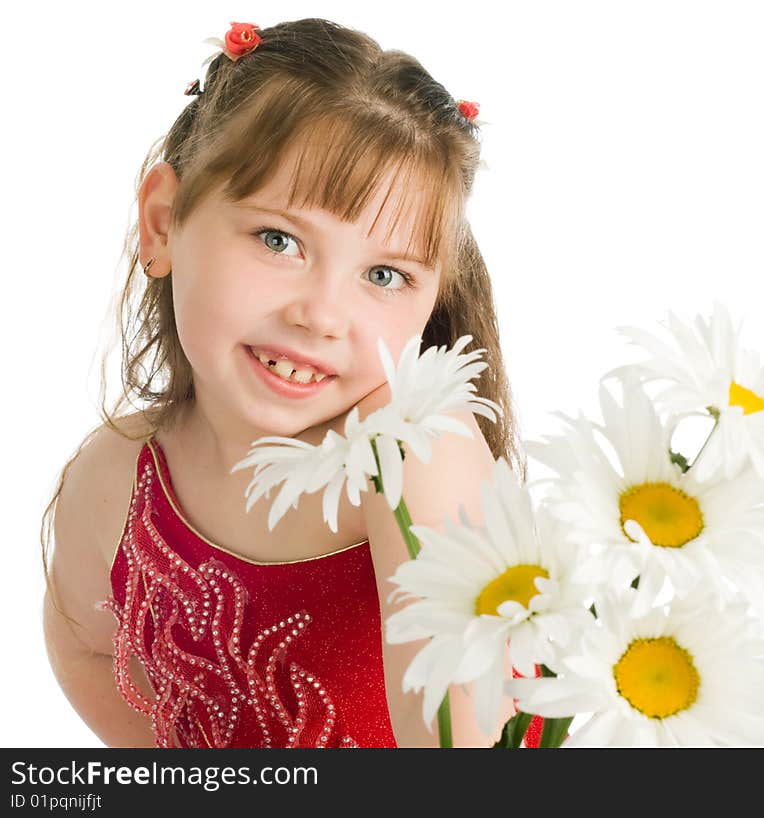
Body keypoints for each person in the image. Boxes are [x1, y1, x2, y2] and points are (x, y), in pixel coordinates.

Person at [40, 17, 544, 748]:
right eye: (279, 240)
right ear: (161, 224)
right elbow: (84, 647)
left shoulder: (413, 455)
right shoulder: (117, 474)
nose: (322, 314)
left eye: (384, 275)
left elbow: (462, 749)